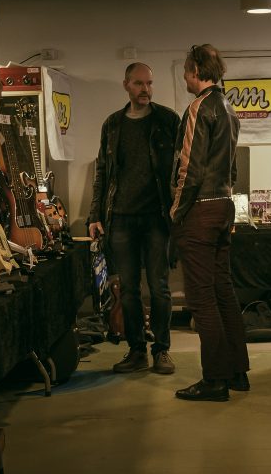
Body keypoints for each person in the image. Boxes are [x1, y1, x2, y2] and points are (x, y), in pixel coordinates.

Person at [89, 62, 180, 375]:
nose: (146, 90)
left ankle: (162, 351)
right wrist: (94, 215)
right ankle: (136, 350)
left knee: (159, 288)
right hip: (121, 219)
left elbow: (182, 169)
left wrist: (178, 209)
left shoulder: (168, 120)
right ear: (126, 85)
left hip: (157, 218)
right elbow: (102, 172)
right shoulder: (112, 125)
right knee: (127, 290)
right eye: (139, 84)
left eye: (150, 84)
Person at [170, 44, 249, 402]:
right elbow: (231, 168)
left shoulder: (198, 108)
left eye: (187, 70)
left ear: (197, 70)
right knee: (223, 290)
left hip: (201, 209)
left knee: (202, 298)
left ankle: (215, 379)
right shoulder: (230, 108)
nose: (185, 76)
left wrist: (177, 211)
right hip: (225, 204)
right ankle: (237, 373)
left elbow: (189, 168)